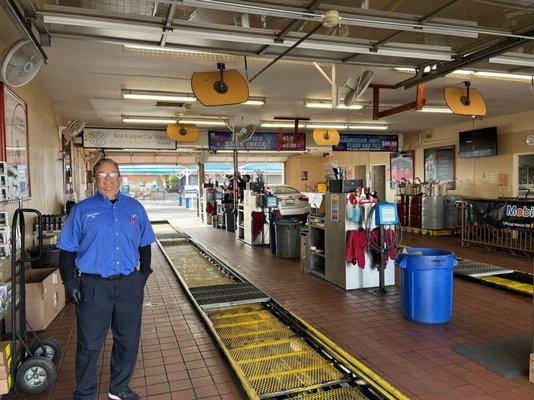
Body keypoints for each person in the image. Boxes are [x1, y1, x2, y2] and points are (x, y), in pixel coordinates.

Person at [57, 158, 156, 400]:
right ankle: (85, 393)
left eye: (113, 174)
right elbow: (66, 251)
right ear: (94, 180)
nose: (108, 179)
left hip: (128, 285)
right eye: (102, 174)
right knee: (90, 344)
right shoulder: (81, 210)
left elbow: (145, 245)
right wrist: (70, 283)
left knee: (128, 341)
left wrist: (142, 276)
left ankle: (119, 388)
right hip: (93, 286)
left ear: (120, 179)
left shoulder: (135, 208)